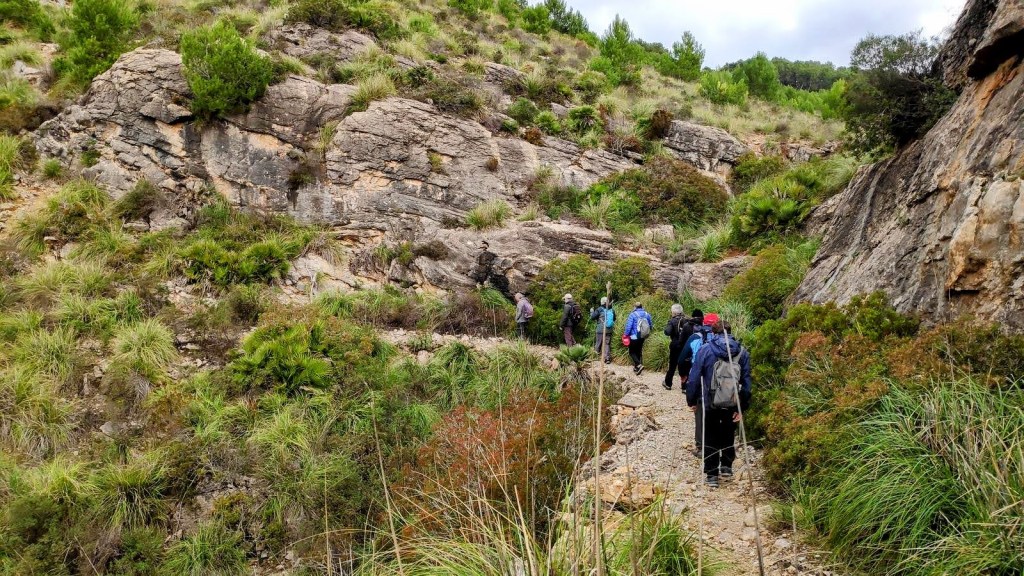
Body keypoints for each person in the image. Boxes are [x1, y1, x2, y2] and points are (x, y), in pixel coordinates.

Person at [686, 320, 751, 488]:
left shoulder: (705, 350)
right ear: (730, 332)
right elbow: (746, 383)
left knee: (710, 436)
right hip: (731, 402)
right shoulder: (742, 353)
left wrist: (691, 400)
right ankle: (726, 466)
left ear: (713, 333)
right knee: (728, 432)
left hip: (709, 402)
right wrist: (741, 407)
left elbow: (694, 378)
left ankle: (712, 475)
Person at [679, 310, 710, 455]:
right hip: (723, 385)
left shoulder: (696, 338)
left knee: (700, 413)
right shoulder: (730, 343)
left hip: (700, 381)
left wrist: (683, 376)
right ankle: (719, 448)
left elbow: (682, 358)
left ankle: (701, 447)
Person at [662, 304, 695, 390]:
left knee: (672, 364)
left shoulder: (672, 321)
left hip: (675, 346)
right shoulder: (688, 320)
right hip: (686, 346)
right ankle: (684, 386)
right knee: (685, 365)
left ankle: (668, 383)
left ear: (673, 312)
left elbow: (667, 332)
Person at [623, 302, 654, 375]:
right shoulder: (647, 314)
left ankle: (639, 364)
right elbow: (650, 325)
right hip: (643, 336)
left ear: (635, 307)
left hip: (634, 336)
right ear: (641, 306)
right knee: (638, 351)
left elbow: (629, 326)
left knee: (632, 351)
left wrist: (626, 334)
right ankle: (637, 367)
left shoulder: (632, 315)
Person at [590, 297, 614, 363]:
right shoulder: (611, 310)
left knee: (598, 342)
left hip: (600, 329)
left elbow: (592, 317)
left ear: (602, 302)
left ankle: (595, 356)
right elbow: (614, 318)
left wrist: (591, 312)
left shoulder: (599, 309)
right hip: (609, 330)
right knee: (607, 344)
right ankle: (607, 358)